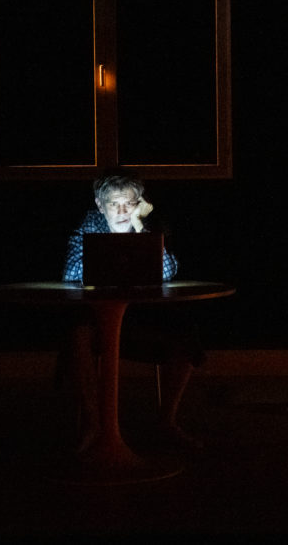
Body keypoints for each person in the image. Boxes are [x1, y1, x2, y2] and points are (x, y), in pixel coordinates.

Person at [61, 174, 204, 450]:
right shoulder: (89, 225)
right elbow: (70, 272)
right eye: (114, 204)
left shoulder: (148, 224)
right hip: (99, 316)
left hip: (143, 314)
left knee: (185, 330)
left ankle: (166, 422)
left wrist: (139, 228)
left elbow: (168, 271)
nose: (122, 211)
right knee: (77, 331)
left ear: (139, 204)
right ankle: (93, 424)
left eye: (129, 203)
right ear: (100, 205)